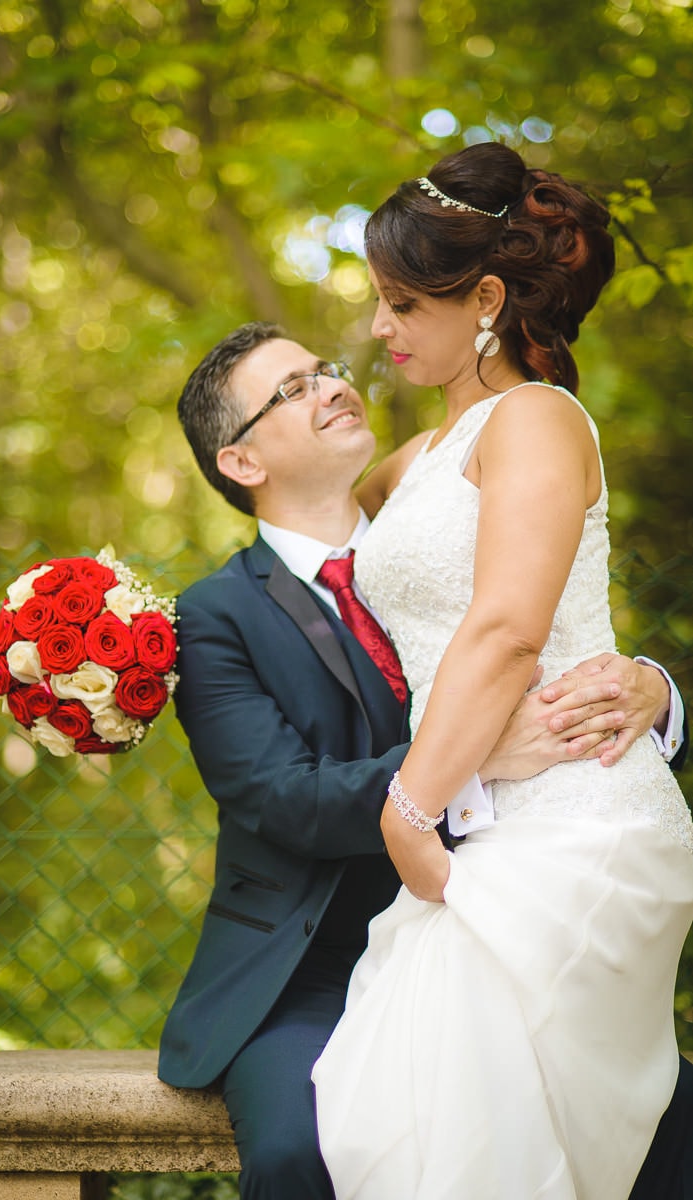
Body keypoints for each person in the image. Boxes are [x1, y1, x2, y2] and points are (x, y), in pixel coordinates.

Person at [157, 317, 690, 1200]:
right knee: (302, 1152)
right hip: (310, 966)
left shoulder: (442, 522)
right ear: (242, 463)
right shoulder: (213, 616)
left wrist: (655, 692)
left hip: (501, 912)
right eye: (291, 390)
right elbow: (280, 797)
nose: (331, 385)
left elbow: (543, 641)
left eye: (324, 370)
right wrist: (472, 767)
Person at [311, 143, 693, 1198]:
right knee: (393, 1127)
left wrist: (406, 804)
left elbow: (509, 632)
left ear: (483, 296)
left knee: (473, 1145)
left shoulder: (538, 419)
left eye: (401, 303)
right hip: (476, 832)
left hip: (573, 825)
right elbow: (316, 536)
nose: (379, 329)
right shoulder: (418, 460)